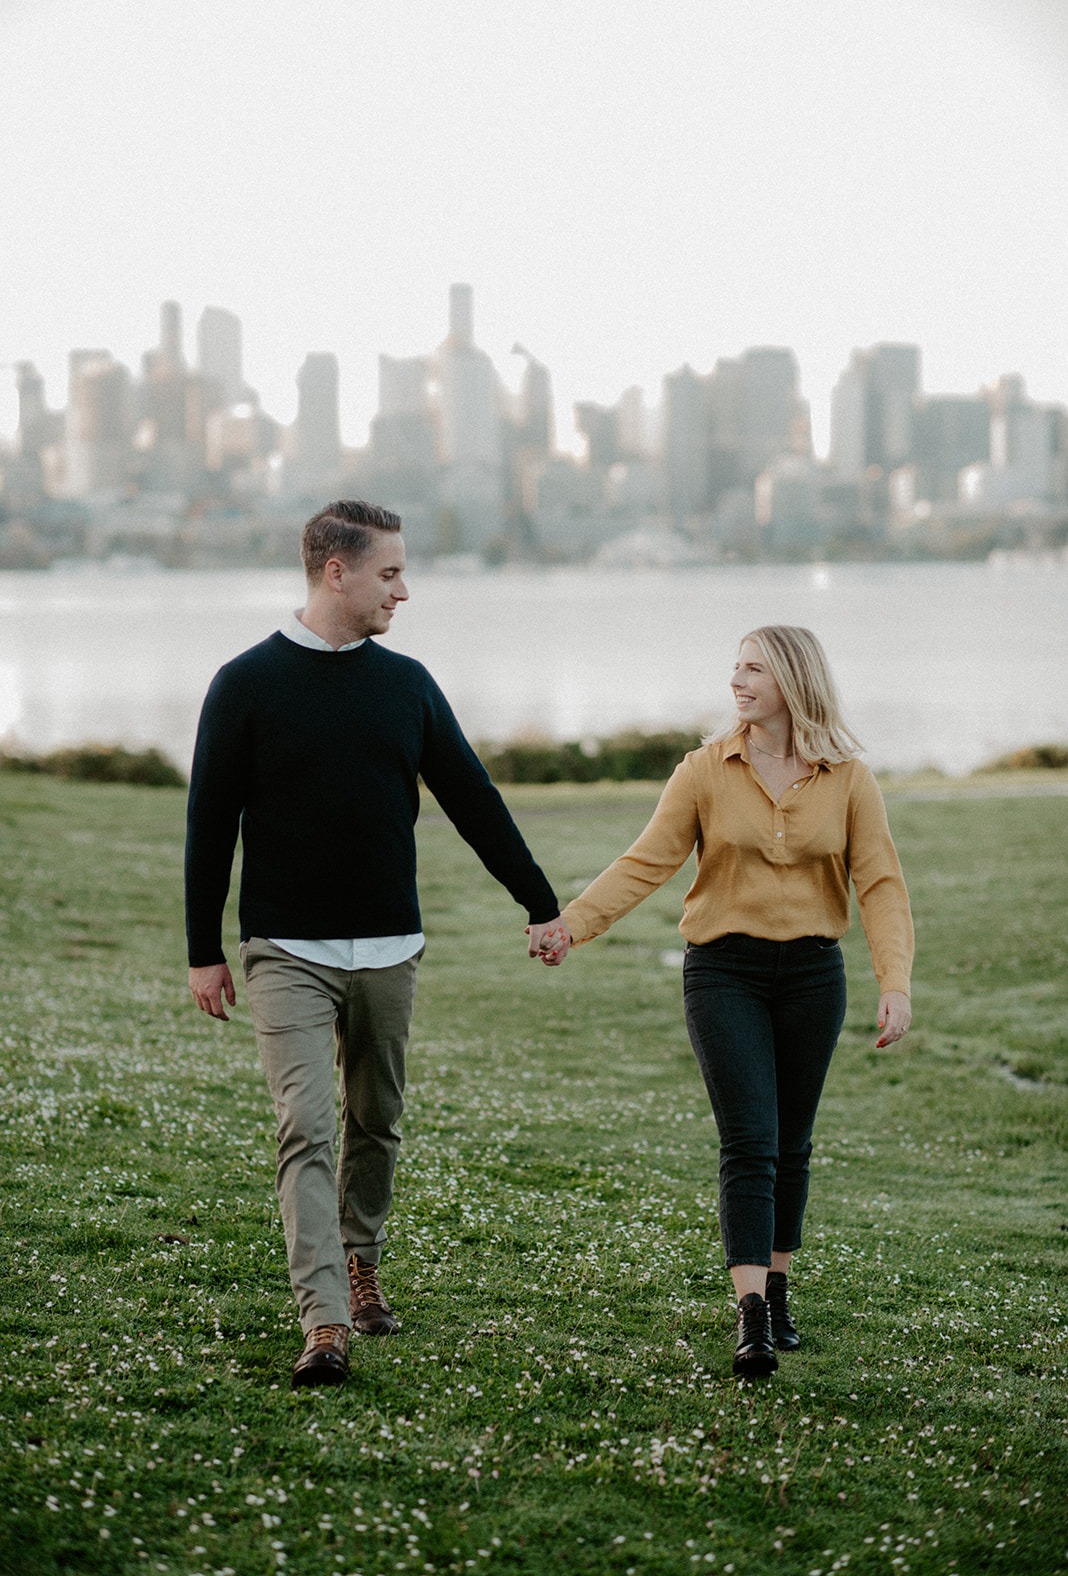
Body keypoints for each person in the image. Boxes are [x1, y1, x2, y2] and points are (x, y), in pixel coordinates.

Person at [186, 499, 567, 1389]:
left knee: (376, 1122)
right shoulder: (243, 684)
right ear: (336, 571)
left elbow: (474, 799)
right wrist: (204, 948)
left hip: (390, 948)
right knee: (305, 1128)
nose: (404, 589)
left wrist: (540, 902)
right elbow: (210, 825)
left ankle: (361, 1262)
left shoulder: (409, 685)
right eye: (390, 572)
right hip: (286, 949)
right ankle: (323, 1321)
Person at [534, 624, 913, 1378]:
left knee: (791, 1145)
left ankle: (777, 1291)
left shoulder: (847, 778)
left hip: (813, 975)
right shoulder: (705, 771)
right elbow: (646, 862)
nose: (736, 681)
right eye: (734, 667)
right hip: (723, 973)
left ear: (793, 682)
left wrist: (893, 982)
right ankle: (750, 1319)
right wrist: (573, 924)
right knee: (749, 1140)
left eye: (753, 669)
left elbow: (879, 883)